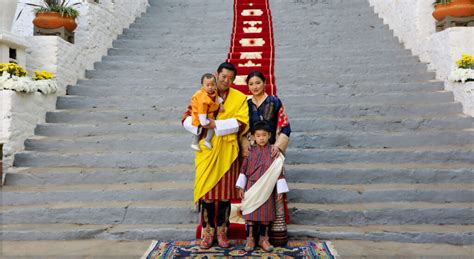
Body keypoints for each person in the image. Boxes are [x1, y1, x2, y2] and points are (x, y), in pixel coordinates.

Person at [181, 62, 249, 249]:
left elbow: (242, 123)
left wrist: (216, 125)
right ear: (216, 74)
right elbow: (186, 117)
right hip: (207, 151)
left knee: (226, 196)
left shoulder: (240, 98)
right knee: (208, 195)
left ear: (234, 80)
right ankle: (207, 233)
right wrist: (200, 124)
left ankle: (222, 232)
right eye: (223, 76)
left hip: (228, 151)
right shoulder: (201, 94)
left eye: (230, 78)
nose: (226, 81)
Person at [242, 70, 292, 246]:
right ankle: (251, 237)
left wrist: (277, 147)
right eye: (251, 84)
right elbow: (241, 127)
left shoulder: (274, 101)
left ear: (264, 83)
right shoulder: (245, 104)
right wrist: (245, 144)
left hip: (271, 153)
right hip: (254, 154)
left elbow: (285, 127)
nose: (255, 87)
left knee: (273, 194)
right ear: (247, 86)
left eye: (258, 83)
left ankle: (269, 237)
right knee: (252, 191)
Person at [236, 121, 289, 252]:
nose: (261, 138)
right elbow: (243, 170)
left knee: (265, 217)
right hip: (251, 187)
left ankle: (263, 239)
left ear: (269, 135)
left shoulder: (273, 152)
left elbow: (278, 171)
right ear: (253, 136)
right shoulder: (250, 152)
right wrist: (241, 187)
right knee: (250, 216)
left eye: (264, 135)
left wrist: (280, 189)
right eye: (258, 135)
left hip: (267, 188)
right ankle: (250, 239)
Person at [185, 73, 223, 151]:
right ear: (202, 86)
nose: (210, 87)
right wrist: (204, 122)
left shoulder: (213, 92)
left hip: (208, 114)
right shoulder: (203, 98)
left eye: (212, 85)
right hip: (199, 115)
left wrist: (221, 105)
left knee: (212, 126)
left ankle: (206, 141)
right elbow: (202, 111)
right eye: (208, 85)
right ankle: (195, 143)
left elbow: (217, 98)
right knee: (198, 129)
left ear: (215, 85)